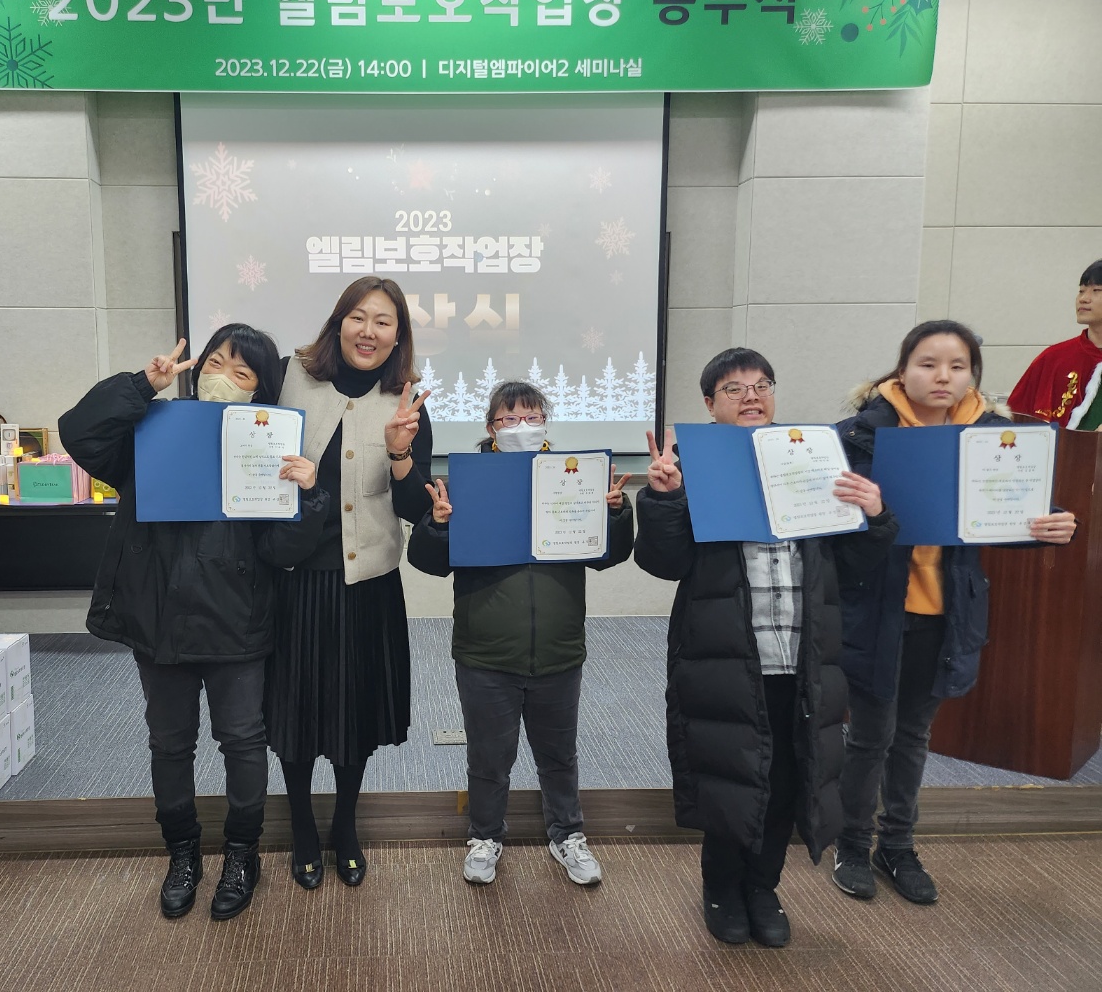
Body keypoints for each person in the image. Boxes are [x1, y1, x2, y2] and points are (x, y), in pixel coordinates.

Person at [59, 325, 328, 922]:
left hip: (237, 619)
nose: (223, 377)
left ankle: (241, 853)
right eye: (215, 363)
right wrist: (142, 385)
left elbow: (284, 550)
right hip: (158, 615)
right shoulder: (153, 427)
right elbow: (78, 433)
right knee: (170, 741)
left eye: (242, 371)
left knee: (242, 739)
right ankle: (182, 853)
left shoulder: (267, 444)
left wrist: (307, 496)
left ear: (260, 390)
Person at [633, 348, 897, 948]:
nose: (751, 396)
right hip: (726, 653)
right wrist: (666, 499)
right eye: (734, 389)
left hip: (803, 657)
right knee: (731, 775)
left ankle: (763, 887)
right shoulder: (693, 466)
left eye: (762, 385)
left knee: (788, 778)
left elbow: (852, 564)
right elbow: (663, 562)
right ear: (710, 405)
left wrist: (875, 515)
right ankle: (722, 887)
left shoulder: (812, 457)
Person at [832, 320, 1076, 905]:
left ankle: (897, 845)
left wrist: (1048, 525)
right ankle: (852, 843)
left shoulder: (994, 436)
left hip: (947, 612)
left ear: (973, 375)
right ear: (902, 370)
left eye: (957, 366)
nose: (942, 376)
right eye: (927, 363)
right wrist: (868, 511)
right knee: (869, 735)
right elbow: (832, 534)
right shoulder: (859, 435)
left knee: (914, 735)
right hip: (875, 608)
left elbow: (1009, 514)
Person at [407, 381, 635, 887]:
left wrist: (616, 513)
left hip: (558, 646)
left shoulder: (573, 479)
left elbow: (609, 556)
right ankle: (485, 836)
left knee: (559, 755)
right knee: (489, 756)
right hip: (486, 651)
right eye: (509, 419)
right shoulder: (467, 483)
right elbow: (428, 563)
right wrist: (438, 525)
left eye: (531, 417)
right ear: (491, 428)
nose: (521, 427)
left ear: (546, 423)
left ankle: (567, 835)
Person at [266, 275, 432, 889]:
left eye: (384, 322)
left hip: (368, 582)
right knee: (295, 712)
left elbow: (414, 507)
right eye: (358, 317)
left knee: (354, 712)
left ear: (398, 335)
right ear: (339, 323)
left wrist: (400, 454)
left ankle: (344, 825)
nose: (369, 331)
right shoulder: (291, 376)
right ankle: (302, 827)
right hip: (297, 576)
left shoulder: (405, 401)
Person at [1007, 259, 1102, 429]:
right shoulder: (1053, 358)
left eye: (1096, 290)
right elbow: (1013, 420)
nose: (1083, 299)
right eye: (1081, 291)